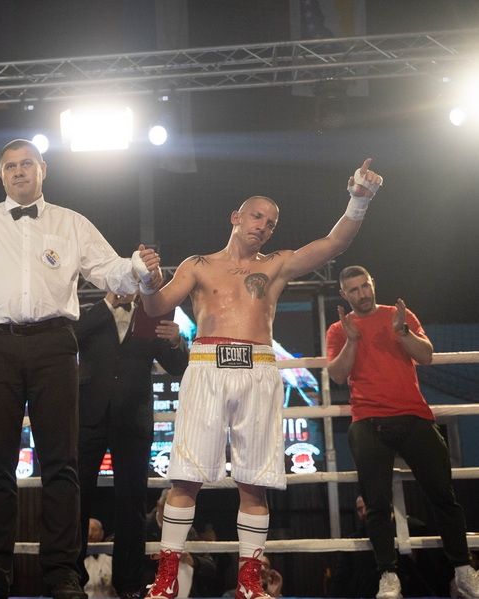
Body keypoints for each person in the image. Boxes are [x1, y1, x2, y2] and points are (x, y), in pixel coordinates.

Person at [0, 139, 162, 599]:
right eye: (10, 166)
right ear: (1, 175)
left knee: (62, 463)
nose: (18, 171)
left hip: (55, 344)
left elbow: (110, 271)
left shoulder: (71, 222)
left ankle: (62, 574)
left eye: (26, 164)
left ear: (43, 169)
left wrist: (138, 267)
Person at [139, 159, 384, 599]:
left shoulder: (277, 265)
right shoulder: (198, 265)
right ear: (236, 217)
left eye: (271, 223)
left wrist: (358, 201)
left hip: (258, 368)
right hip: (207, 366)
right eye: (257, 217)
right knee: (185, 479)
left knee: (254, 483)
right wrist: (145, 281)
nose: (264, 227)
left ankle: (249, 581)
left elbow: (334, 244)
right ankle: (166, 578)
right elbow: (157, 307)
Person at [325, 265, 479, 599]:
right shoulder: (339, 329)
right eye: (354, 290)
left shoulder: (400, 316)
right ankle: (388, 574)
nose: (362, 294)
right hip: (368, 420)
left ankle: (463, 569)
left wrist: (403, 332)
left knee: (444, 495)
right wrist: (352, 340)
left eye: (365, 286)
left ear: (373, 283)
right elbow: (337, 375)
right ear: (343, 294)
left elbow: (426, 356)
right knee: (377, 504)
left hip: (413, 414)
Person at [74, 292, 189, 598]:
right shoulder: (91, 312)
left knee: (132, 502)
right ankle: (70, 579)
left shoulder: (153, 314)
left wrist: (175, 340)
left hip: (133, 420)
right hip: (88, 415)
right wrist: (108, 303)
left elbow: (177, 365)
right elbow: (70, 337)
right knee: (76, 497)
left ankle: (128, 585)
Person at [85, 518, 118, 598]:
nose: (90, 533)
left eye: (94, 529)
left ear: (101, 533)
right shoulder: (76, 562)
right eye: (87, 529)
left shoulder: (111, 562)